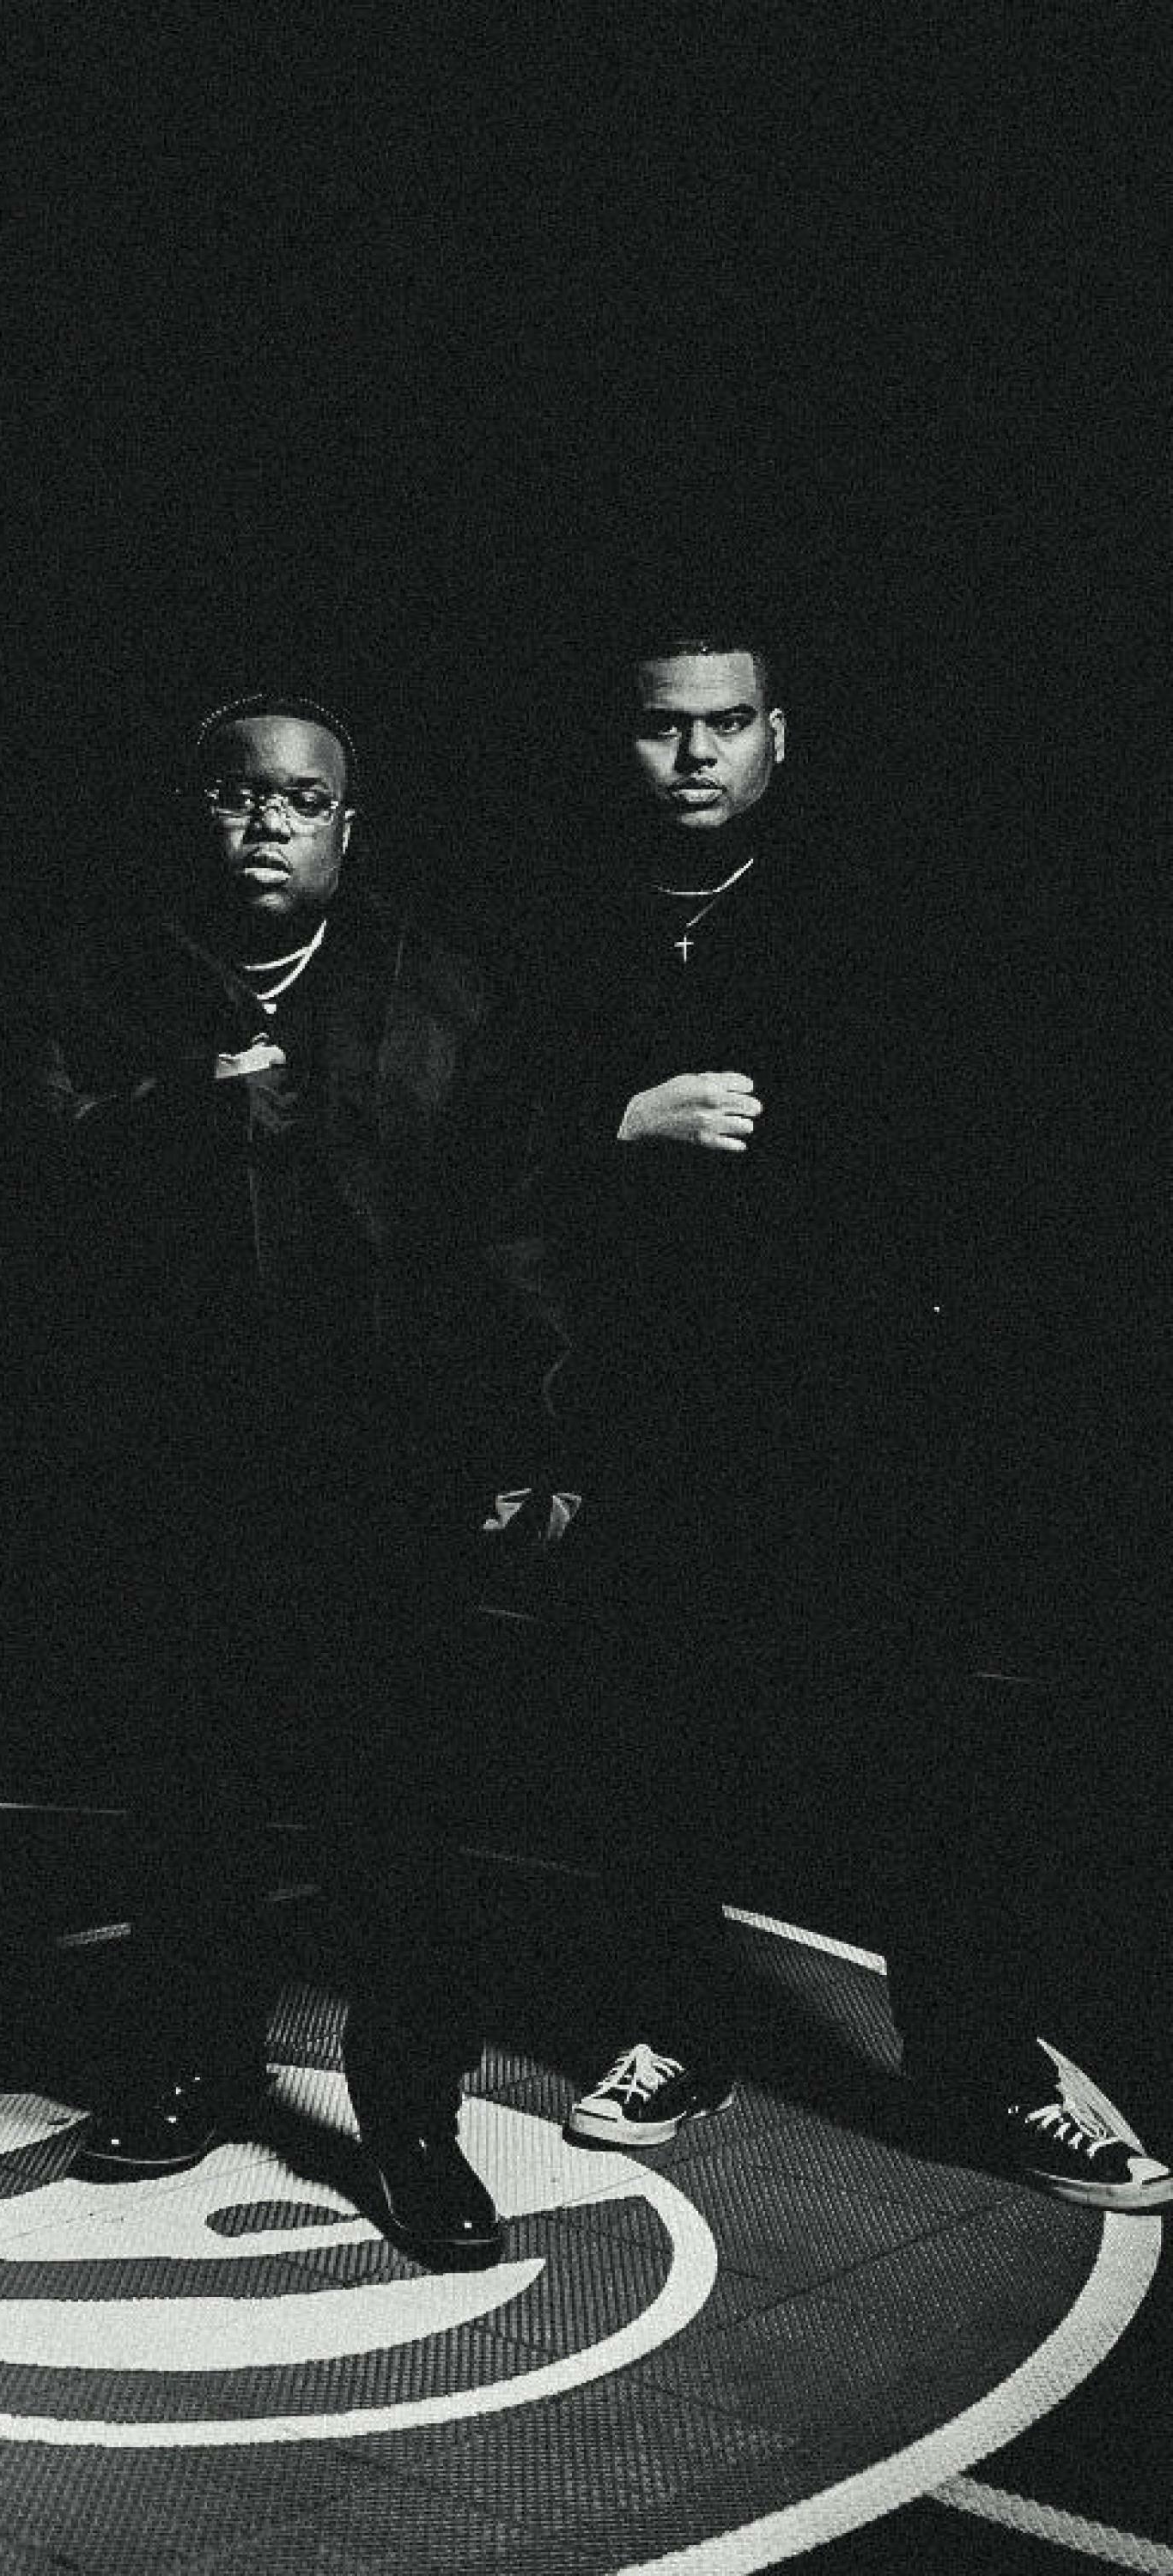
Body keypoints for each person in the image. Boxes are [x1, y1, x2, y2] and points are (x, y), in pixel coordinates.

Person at [520, 630, 1168, 2210]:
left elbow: (960, 1155)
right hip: (654, 1408)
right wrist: (617, 1123)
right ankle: (671, 2035)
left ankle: (988, 2071)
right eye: (665, 726)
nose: (696, 755)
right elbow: (463, 1140)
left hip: (854, 1411)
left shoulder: (869, 919)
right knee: (660, 1733)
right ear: (625, 743)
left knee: (921, 1745)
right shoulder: (562, 926)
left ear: (778, 737)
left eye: (727, 723)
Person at [16, 691, 541, 2269]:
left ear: (346, 830)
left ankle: (413, 2120)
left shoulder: (435, 989)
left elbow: (506, 1225)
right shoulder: (107, 976)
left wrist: (523, 1429)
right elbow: (34, 1179)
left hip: (381, 1464)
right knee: (190, 1786)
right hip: (176, 1457)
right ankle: (192, 2065)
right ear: (197, 813)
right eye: (238, 795)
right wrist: (195, 1109)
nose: (266, 823)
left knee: (402, 1811)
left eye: (302, 801)